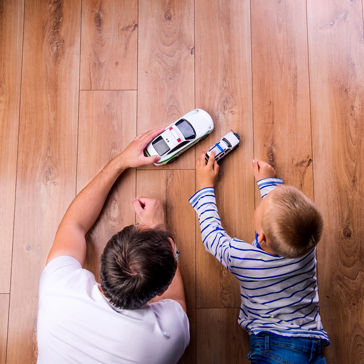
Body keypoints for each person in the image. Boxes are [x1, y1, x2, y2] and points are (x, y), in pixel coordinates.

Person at [37, 128, 190, 364]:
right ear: (160, 292)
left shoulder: (59, 288)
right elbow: (177, 302)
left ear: (105, 257)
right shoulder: (167, 337)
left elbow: (74, 224)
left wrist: (121, 162)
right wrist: (157, 226)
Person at [189, 151, 329, 363]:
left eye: (261, 207)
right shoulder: (306, 245)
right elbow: (287, 219)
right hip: (311, 337)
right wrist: (268, 182)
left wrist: (204, 186)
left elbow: (212, 237)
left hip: (274, 345)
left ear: (261, 236)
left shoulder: (243, 260)